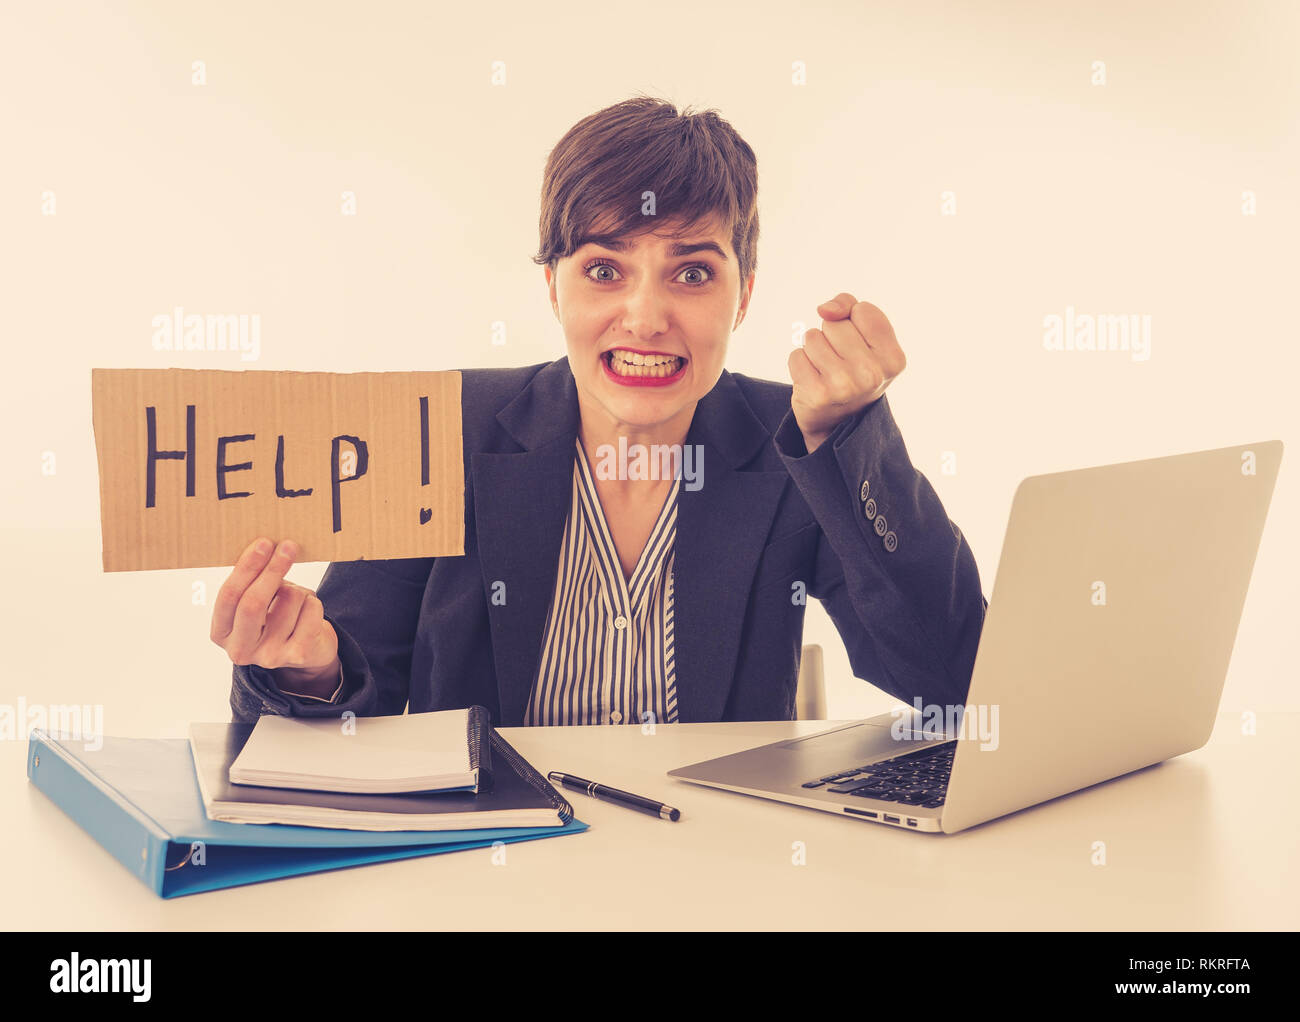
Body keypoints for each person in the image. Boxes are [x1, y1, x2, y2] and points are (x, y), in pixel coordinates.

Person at [215, 95, 987, 727]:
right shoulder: (441, 431)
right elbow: (341, 710)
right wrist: (311, 672)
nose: (645, 317)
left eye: (691, 271)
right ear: (552, 286)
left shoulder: (797, 447)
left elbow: (956, 683)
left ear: (743, 296)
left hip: (717, 872)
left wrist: (849, 440)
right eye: (604, 269)